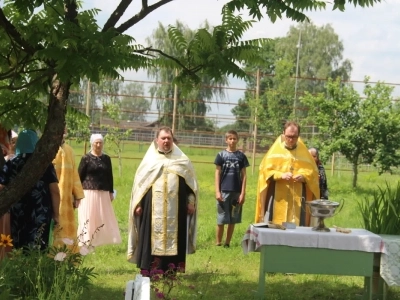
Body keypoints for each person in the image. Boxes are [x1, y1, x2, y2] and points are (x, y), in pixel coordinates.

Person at [127, 126, 198, 272]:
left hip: (176, 210)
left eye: (169, 138)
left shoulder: (182, 161)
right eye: (163, 138)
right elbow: (140, 186)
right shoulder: (149, 162)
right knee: (149, 237)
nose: (166, 141)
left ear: (173, 140)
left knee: (175, 238)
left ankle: (171, 270)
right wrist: (138, 204)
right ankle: (149, 269)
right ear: (156, 140)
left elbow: (191, 188)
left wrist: (190, 203)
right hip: (151, 210)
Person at [0, 129, 60, 250]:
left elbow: (1, 188)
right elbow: (55, 191)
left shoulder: (11, 164)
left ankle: (20, 268)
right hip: (40, 211)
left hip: (17, 212)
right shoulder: (44, 164)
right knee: (38, 248)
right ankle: (35, 268)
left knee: (19, 247)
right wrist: (57, 215)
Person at [255, 121, 320, 226]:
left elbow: (312, 172)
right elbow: (265, 171)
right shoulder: (275, 152)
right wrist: (280, 175)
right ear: (283, 133)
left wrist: (303, 176)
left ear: (298, 136)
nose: (291, 139)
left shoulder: (305, 154)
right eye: (288, 136)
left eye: (294, 137)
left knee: (298, 224)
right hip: (277, 195)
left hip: (298, 197)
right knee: (274, 223)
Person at [76, 133, 121, 247]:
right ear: (92, 143)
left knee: (101, 217)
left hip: (103, 192)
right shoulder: (86, 158)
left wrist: (111, 192)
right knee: (88, 216)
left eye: (100, 142)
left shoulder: (106, 159)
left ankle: (98, 240)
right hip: (88, 192)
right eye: (96, 142)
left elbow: (109, 176)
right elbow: (79, 176)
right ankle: (85, 240)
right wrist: (76, 194)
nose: (98, 145)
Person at [214, 130, 249, 248]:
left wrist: (242, 193)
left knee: (233, 218)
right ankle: (218, 243)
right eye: (230, 138)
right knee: (221, 218)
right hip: (223, 191)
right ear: (226, 140)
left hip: (236, 192)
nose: (232, 141)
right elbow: (217, 173)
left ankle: (227, 243)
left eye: (234, 138)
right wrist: (217, 191)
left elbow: (244, 175)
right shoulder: (221, 155)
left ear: (237, 140)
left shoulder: (241, 156)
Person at [52, 127, 84, 248]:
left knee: (67, 226)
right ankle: (52, 255)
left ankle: (67, 253)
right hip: (51, 195)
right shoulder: (47, 151)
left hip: (67, 197)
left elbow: (75, 174)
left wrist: (77, 195)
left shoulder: (69, 150)